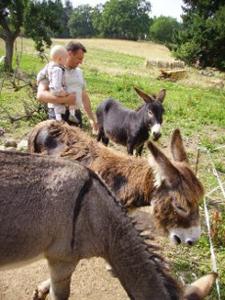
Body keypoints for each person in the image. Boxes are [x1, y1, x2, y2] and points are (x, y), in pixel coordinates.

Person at [37, 41, 98, 132]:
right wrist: (65, 100)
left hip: (75, 114)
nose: (81, 62)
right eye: (79, 58)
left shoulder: (79, 72)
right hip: (58, 114)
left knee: (77, 145)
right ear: (69, 54)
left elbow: (84, 96)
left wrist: (91, 119)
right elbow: (40, 95)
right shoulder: (51, 70)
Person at [37, 45, 79, 124]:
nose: (67, 60)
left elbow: (41, 73)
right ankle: (63, 118)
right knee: (59, 105)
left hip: (58, 91)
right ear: (60, 59)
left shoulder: (51, 66)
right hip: (57, 90)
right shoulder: (57, 70)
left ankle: (69, 115)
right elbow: (40, 95)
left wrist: (38, 78)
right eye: (66, 58)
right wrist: (66, 98)